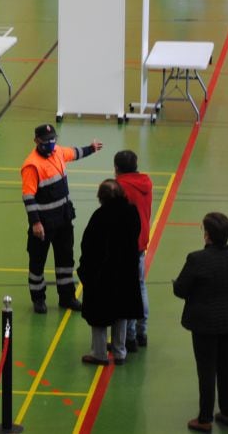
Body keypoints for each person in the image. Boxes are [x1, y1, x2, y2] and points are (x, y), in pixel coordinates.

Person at [172, 212, 228, 432]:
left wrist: (176, 283)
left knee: (206, 371)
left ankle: (204, 418)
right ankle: (226, 411)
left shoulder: (197, 259)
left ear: (207, 235)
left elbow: (181, 290)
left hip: (204, 325)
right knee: (226, 368)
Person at [20, 123, 103, 314]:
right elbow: (28, 196)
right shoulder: (31, 165)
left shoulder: (58, 152)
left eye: (53, 140)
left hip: (64, 220)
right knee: (37, 263)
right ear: (36, 141)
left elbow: (74, 153)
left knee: (66, 261)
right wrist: (36, 222)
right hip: (43, 224)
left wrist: (91, 148)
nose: (51, 144)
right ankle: (38, 299)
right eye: (46, 141)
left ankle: (67, 297)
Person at [78, 179, 143, 366]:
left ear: (101, 197)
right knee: (121, 312)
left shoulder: (99, 217)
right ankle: (120, 352)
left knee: (98, 316)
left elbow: (88, 246)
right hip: (125, 273)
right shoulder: (132, 213)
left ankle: (99, 354)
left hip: (102, 276)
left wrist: (85, 271)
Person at [114, 150, 152, 350]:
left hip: (124, 244)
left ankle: (129, 337)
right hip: (140, 241)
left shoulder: (120, 187)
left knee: (126, 291)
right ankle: (141, 332)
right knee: (140, 286)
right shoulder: (146, 182)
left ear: (117, 168)